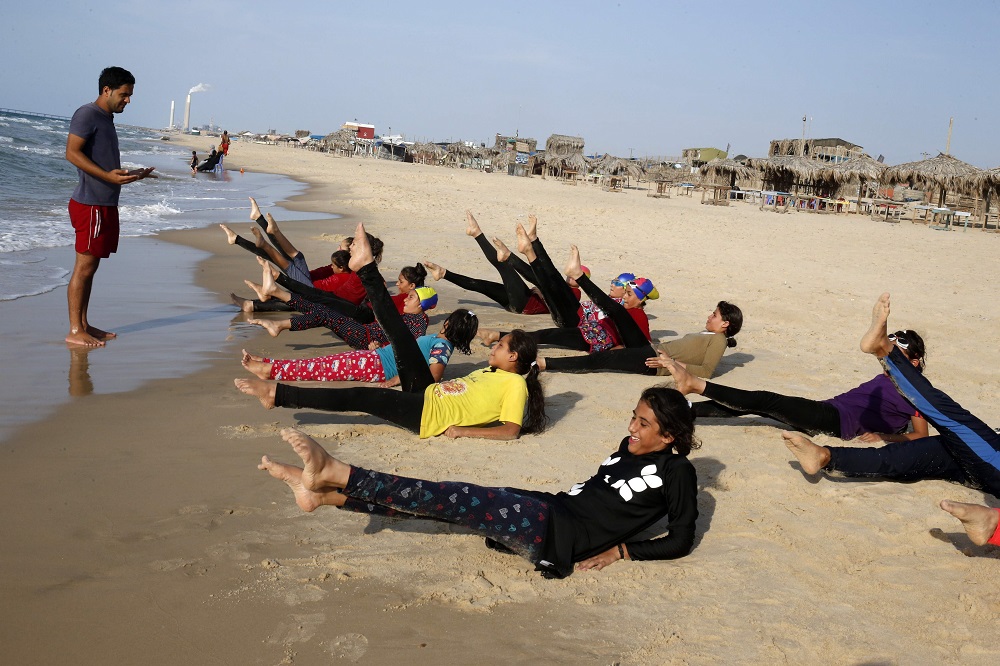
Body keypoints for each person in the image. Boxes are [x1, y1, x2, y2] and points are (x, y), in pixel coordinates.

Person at [257, 381, 699, 578]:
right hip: (549, 508)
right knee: (451, 510)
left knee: (452, 498)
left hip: (556, 534)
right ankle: (324, 494)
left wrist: (621, 551)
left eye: (643, 425)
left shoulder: (679, 473)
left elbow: (680, 539)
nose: (632, 429)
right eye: (634, 417)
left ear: (670, 435)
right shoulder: (628, 447)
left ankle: (338, 472)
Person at [235, 223, 546, 441]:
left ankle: (277, 393)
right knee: (393, 333)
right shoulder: (489, 372)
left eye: (501, 346)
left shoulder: (514, 385)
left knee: (360, 392)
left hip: (427, 413)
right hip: (424, 394)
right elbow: (440, 381)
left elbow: (509, 430)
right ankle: (363, 268)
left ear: (514, 356)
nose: (493, 349)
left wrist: (461, 431)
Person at [780, 295, 1000, 543]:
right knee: (899, 460)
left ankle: (884, 350)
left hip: (994, 459)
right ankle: (825, 457)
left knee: (950, 416)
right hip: (981, 472)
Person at [65, 66, 157, 347]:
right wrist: (107, 177)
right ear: (107, 90)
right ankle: (74, 331)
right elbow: (71, 153)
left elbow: (103, 163)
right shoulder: (87, 114)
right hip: (90, 204)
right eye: (124, 94)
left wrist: (132, 174)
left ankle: (84, 324)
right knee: (83, 267)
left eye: (129, 95)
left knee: (91, 268)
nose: (128, 100)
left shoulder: (106, 118)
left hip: (104, 204)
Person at [479, 245, 655, 354]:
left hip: (585, 329)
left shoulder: (633, 313)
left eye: (623, 288)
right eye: (619, 286)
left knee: (551, 289)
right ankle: (529, 248)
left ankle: (526, 252)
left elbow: (644, 343)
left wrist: (619, 349)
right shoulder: (617, 304)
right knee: (550, 292)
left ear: (640, 300)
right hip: (585, 327)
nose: (621, 292)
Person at [241, 307, 478, 386]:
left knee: (321, 369)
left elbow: (434, 375)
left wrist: (396, 380)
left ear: (448, 323)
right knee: (321, 364)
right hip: (374, 359)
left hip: (378, 367)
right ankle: (270, 365)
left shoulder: (442, 346)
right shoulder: (441, 344)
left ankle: (270, 371)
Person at [243, 260, 435, 349]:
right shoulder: (412, 316)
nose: (407, 298)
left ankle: (276, 297)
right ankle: (276, 300)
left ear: (421, 304)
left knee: (325, 312)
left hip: (364, 336)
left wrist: (380, 346)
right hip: (364, 329)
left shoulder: (419, 321)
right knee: (323, 311)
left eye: (412, 297)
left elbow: (410, 345)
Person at [423, 210, 581, 316]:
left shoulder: (576, 293)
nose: (570, 277)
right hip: (518, 302)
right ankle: (443, 273)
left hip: (525, 304)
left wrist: (541, 292)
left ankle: (477, 233)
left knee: (504, 265)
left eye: (578, 274)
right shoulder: (561, 284)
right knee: (480, 285)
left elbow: (557, 303)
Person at [539, 301, 743, 378]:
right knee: (608, 352)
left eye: (714, 315)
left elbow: (707, 371)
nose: (709, 316)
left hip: (655, 362)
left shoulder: (719, 341)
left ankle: (546, 363)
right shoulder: (709, 335)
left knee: (603, 359)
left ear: (725, 324)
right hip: (652, 350)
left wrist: (671, 364)